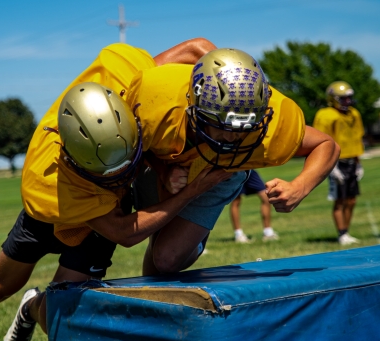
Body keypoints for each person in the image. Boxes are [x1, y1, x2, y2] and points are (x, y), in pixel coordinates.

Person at [0, 39, 229, 341]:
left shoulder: (129, 78)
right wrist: (191, 191)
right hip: (69, 209)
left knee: (67, 311)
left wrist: (233, 80)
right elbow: (124, 232)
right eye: (107, 171)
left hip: (105, 210)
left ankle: (33, 308)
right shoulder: (49, 181)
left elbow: (197, 48)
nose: (120, 176)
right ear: (73, 157)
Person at [124, 48, 340, 275]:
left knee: (167, 259)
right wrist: (161, 170)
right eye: (222, 125)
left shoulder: (276, 122)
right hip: (163, 158)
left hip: (221, 172)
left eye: (244, 129)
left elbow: (327, 145)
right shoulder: (156, 102)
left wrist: (300, 186)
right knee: (155, 235)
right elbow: (200, 45)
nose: (231, 138)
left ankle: (194, 240)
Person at [312, 81, 365, 245]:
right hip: (336, 161)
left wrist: (358, 162)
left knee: (352, 199)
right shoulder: (325, 115)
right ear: (333, 98)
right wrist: (331, 166)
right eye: (343, 98)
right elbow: (321, 141)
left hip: (351, 160)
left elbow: (357, 138)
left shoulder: (353, 114)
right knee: (339, 199)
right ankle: (341, 234)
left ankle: (346, 232)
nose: (347, 102)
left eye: (349, 98)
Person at [230, 170, 279, 243]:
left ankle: (268, 233)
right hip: (235, 171)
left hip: (249, 170)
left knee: (265, 197)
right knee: (236, 201)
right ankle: (238, 235)